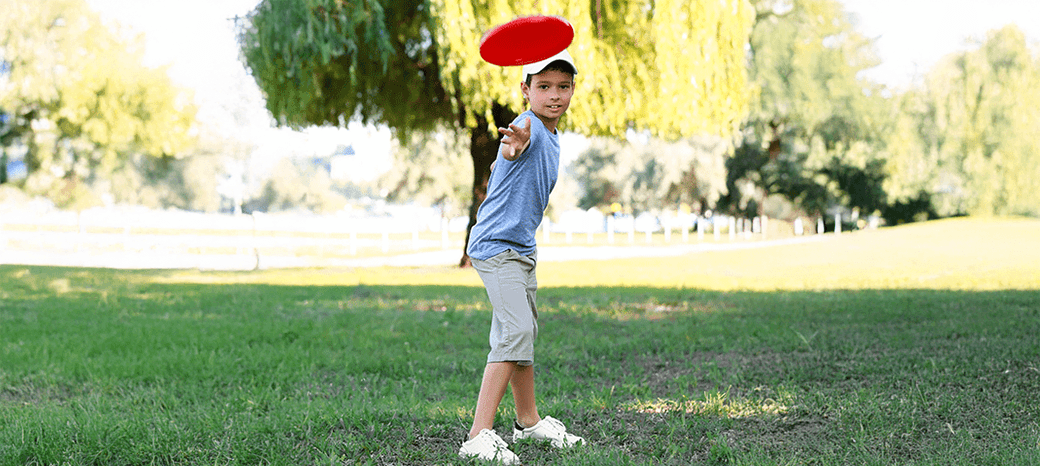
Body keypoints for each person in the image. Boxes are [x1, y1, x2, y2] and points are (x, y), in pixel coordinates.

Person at [458, 49, 585, 464]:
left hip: (521, 248)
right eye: (544, 86)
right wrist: (512, 148)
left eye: (563, 86)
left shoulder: (551, 133)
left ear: (572, 90)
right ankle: (478, 436)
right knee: (516, 333)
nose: (554, 95)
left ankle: (528, 423)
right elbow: (514, 148)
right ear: (526, 90)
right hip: (497, 246)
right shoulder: (527, 126)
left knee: (522, 334)